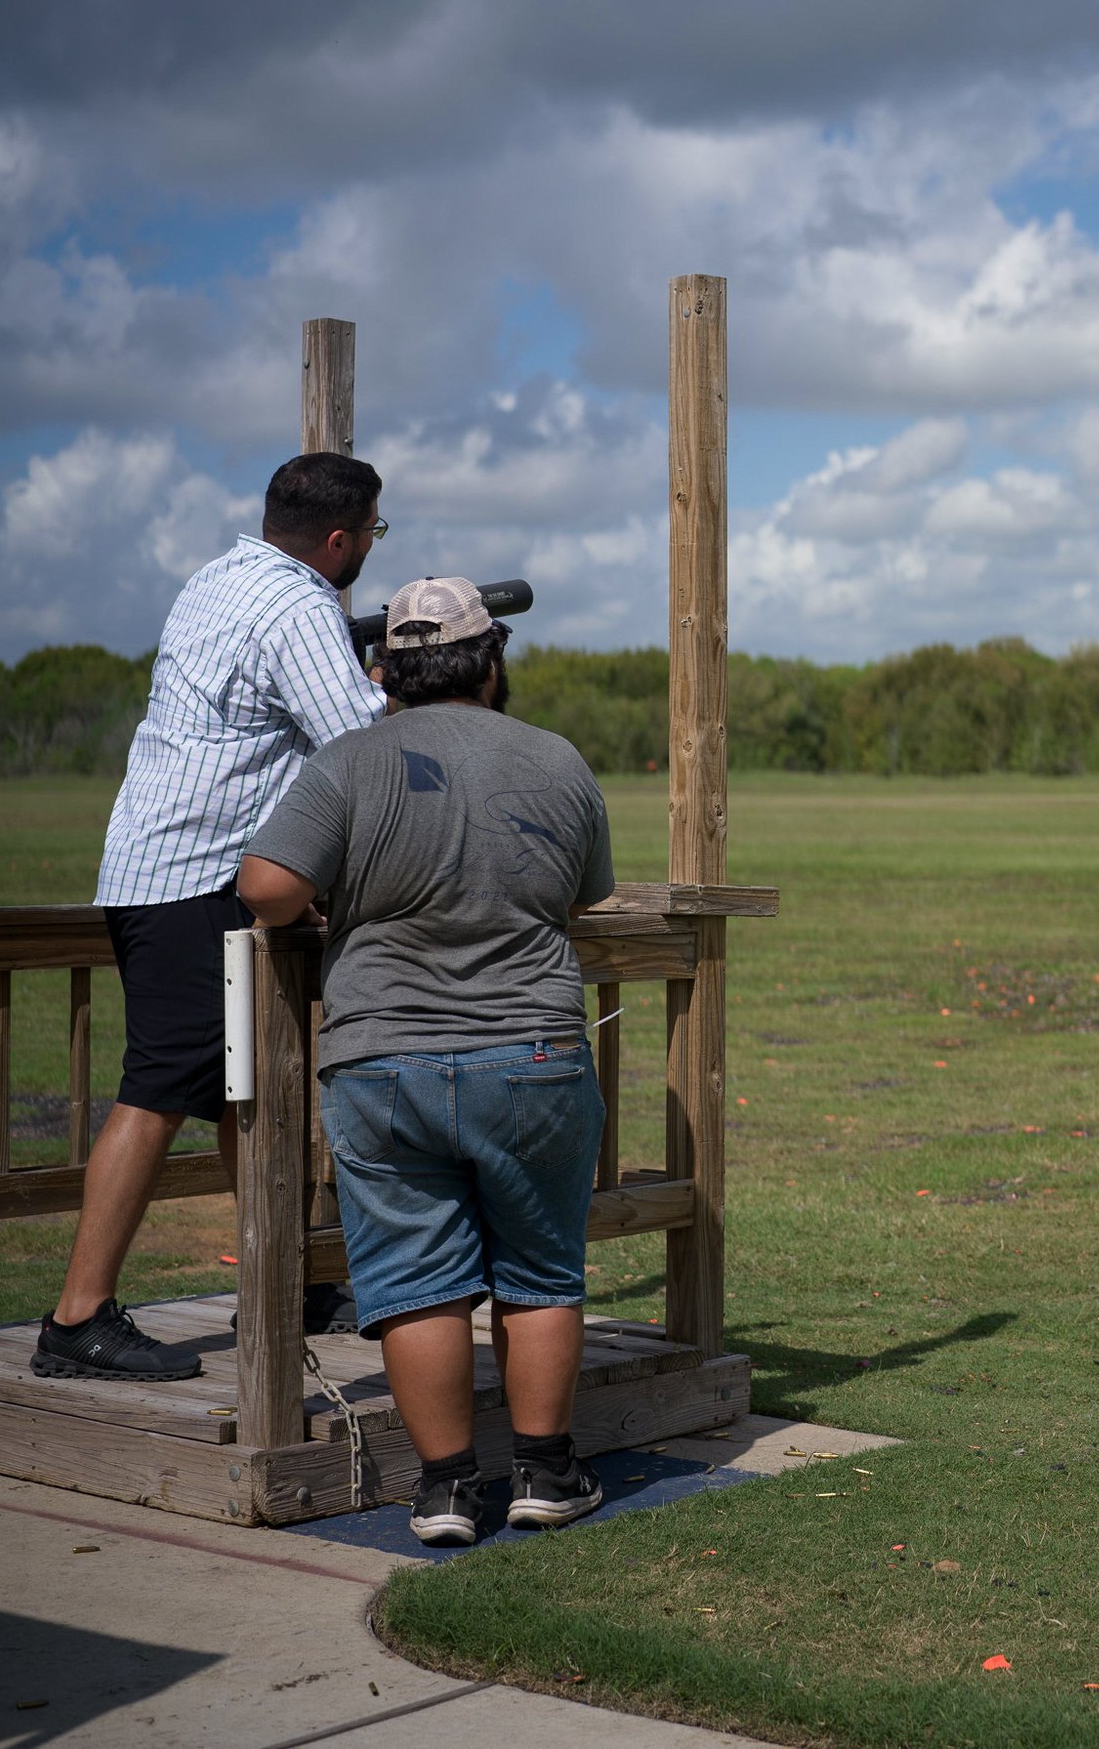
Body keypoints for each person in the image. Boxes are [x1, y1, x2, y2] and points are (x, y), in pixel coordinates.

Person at [239, 576, 616, 1546]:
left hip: (381, 1057)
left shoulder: (348, 760)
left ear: (382, 670)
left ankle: (446, 1489)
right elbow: (584, 892)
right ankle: (544, 1473)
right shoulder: (558, 760)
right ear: (492, 662)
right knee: (539, 1267)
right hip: (530, 1052)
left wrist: (323, 906)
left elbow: (269, 887)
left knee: (414, 1277)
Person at [34, 454, 387, 1382]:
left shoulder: (222, 577)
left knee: (247, 1094)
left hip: (163, 868)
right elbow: (358, 741)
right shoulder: (301, 605)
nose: (369, 553)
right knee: (155, 1092)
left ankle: (290, 1275)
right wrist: (413, 683)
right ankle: (77, 1316)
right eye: (373, 536)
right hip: (192, 877)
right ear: (341, 539)